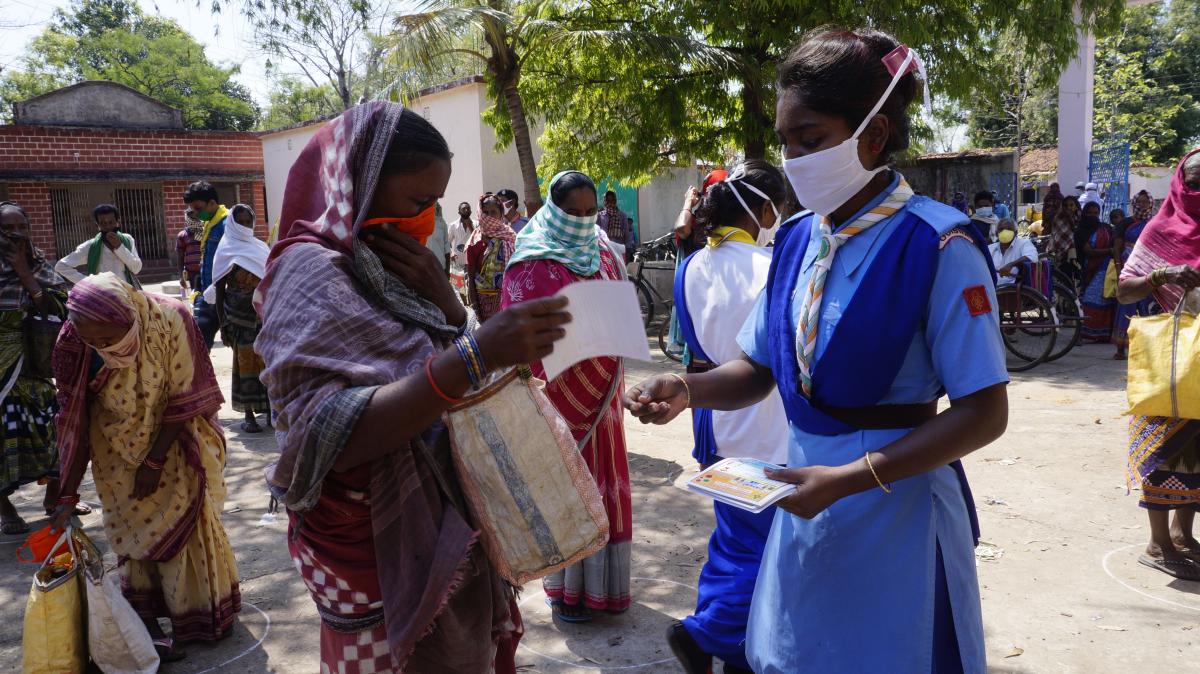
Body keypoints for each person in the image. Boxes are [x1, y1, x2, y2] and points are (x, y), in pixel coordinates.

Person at [625, 28, 1008, 673]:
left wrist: (849, 480)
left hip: (895, 505)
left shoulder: (939, 247)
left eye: (811, 141)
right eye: (786, 145)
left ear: (874, 136)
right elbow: (758, 369)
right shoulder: (800, 240)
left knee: (890, 653)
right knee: (800, 653)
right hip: (802, 491)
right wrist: (687, 390)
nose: (796, 161)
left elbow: (984, 412)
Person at [255, 102, 568, 673]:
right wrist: (476, 352)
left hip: (441, 520)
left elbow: (452, 360)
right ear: (361, 186)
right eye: (416, 203)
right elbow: (323, 433)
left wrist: (448, 303)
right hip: (368, 535)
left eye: (435, 205)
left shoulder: (398, 269)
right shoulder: (311, 271)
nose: (426, 221)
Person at [51, 272, 240, 661]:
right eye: (95, 341)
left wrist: (154, 460)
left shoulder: (170, 318)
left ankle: (198, 615)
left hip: (173, 440)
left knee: (187, 526)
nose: (103, 347)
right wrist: (66, 491)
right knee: (131, 532)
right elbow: (73, 418)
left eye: (110, 338)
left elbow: (186, 395)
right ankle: (147, 619)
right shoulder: (74, 340)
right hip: (114, 451)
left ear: (131, 318)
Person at [667, 161, 789, 674]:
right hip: (771, 422)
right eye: (778, 212)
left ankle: (723, 632)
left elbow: (688, 347)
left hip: (713, 414)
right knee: (762, 548)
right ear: (764, 211)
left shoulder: (689, 267)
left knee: (733, 534)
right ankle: (710, 632)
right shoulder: (773, 268)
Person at [501, 170, 633, 623]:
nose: (582, 221)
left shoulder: (602, 249)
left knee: (602, 488)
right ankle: (568, 592)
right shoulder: (530, 261)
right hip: (557, 401)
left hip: (604, 403)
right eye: (571, 212)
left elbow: (618, 309)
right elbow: (520, 342)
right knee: (571, 491)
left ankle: (604, 592)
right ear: (552, 211)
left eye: (588, 211)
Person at [1118, 149, 1200, 580]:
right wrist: (1164, 273)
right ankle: (1157, 542)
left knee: (1198, 455)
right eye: (1197, 184)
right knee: (1166, 452)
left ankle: (1182, 534)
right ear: (1182, 186)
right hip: (1172, 361)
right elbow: (1125, 291)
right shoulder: (1160, 229)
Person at [0, 202, 83, 534]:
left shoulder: (39, 264)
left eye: (22, 227)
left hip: (36, 365)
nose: (16, 234)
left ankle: (54, 497)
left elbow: (60, 310)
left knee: (59, 430)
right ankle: (6, 511)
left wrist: (23, 272)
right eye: (7, 228)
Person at [204, 204, 271, 433]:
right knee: (245, 366)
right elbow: (220, 290)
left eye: (248, 221)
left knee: (268, 362)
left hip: (263, 316)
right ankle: (249, 415)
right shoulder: (226, 250)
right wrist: (223, 323)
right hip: (238, 318)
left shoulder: (260, 247)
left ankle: (271, 411)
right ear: (232, 224)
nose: (245, 226)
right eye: (240, 222)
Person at [1113, 191, 1158, 359]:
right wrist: (1118, 268)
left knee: (1147, 306)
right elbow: (1117, 247)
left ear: (1151, 203)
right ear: (1134, 202)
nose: (1143, 204)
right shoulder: (1126, 223)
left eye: (1146, 201)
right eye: (1139, 201)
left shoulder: (1155, 222)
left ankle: (1145, 348)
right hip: (1129, 267)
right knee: (1127, 304)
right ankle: (1120, 348)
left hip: (1149, 268)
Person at [184, 181, 228, 351]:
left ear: (212, 203)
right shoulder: (210, 223)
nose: (196, 213)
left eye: (198, 208)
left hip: (225, 295)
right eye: (193, 210)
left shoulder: (228, 224)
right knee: (198, 343)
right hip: (207, 293)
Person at [54, 204, 142, 287]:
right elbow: (61, 266)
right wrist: (89, 283)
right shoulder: (90, 246)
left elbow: (136, 268)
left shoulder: (128, 240)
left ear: (118, 222)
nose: (108, 226)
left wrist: (119, 247)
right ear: (97, 225)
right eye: (103, 223)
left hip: (128, 295)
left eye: (111, 222)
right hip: (103, 297)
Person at [465, 193, 516, 321]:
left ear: (501, 214)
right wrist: (476, 309)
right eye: (485, 212)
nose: (489, 217)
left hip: (510, 299)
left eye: (493, 212)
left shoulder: (511, 237)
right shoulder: (474, 242)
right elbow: (470, 278)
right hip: (484, 306)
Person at [1077, 200, 1116, 342]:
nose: (1093, 215)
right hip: (1090, 270)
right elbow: (1088, 251)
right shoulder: (1081, 230)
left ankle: (1104, 333)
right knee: (1089, 299)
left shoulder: (1105, 228)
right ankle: (1088, 332)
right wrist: (1109, 251)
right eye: (1090, 213)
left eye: (1096, 213)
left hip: (1106, 270)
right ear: (1084, 213)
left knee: (1106, 300)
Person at [990, 218, 1039, 286]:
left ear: (1016, 232)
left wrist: (1012, 264)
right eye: (1001, 229)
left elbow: (1032, 258)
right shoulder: (990, 248)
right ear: (996, 233)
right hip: (992, 288)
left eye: (1009, 229)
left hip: (1014, 290)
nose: (1005, 232)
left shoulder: (1024, 243)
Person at [597, 190, 638, 262]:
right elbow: (597, 235)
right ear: (604, 201)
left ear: (615, 201)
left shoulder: (622, 216)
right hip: (604, 251)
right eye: (607, 200)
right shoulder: (600, 216)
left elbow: (627, 236)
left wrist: (627, 252)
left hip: (619, 251)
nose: (610, 203)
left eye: (612, 200)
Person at [449, 201, 475, 301]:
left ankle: (471, 302)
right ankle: (464, 303)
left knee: (471, 282)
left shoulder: (475, 224)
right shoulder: (453, 225)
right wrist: (451, 252)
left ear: (471, 211)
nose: (466, 210)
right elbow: (447, 242)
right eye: (463, 209)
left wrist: (470, 226)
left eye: (468, 208)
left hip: (471, 260)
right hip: (458, 260)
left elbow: (477, 239)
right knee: (460, 285)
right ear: (459, 212)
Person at [177, 211, 204, 294]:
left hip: (206, 272)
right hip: (191, 274)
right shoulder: (182, 235)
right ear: (187, 218)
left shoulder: (206, 232)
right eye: (192, 217)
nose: (196, 219)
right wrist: (181, 276)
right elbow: (180, 256)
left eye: (197, 217)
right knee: (193, 297)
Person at [426, 202, 451, 275]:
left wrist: (447, 271)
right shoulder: (419, 223)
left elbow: (447, 248)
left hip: (440, 266)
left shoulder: (441, 223)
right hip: (424, 267)